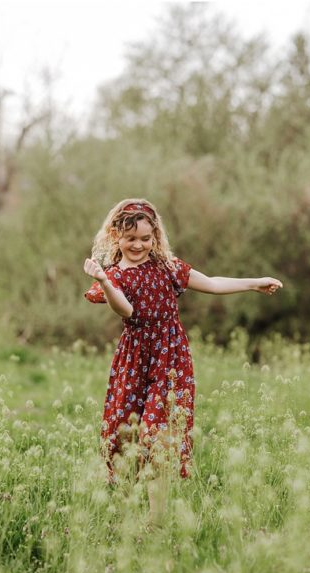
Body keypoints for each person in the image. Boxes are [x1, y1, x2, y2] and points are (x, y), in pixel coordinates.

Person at [83, 198, 282, 500]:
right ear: (116, 236)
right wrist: (103, 281)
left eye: (145, 238)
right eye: (131, 238)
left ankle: (155, 521)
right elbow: (126, 310)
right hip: (134, 360)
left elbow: (213, 283)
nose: (138, 245)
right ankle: (124, 507)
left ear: (156, 236)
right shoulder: (114, 275)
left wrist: (254, 283)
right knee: (126, 434)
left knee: (158, 436)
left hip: (170, 358)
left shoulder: (168, 268)